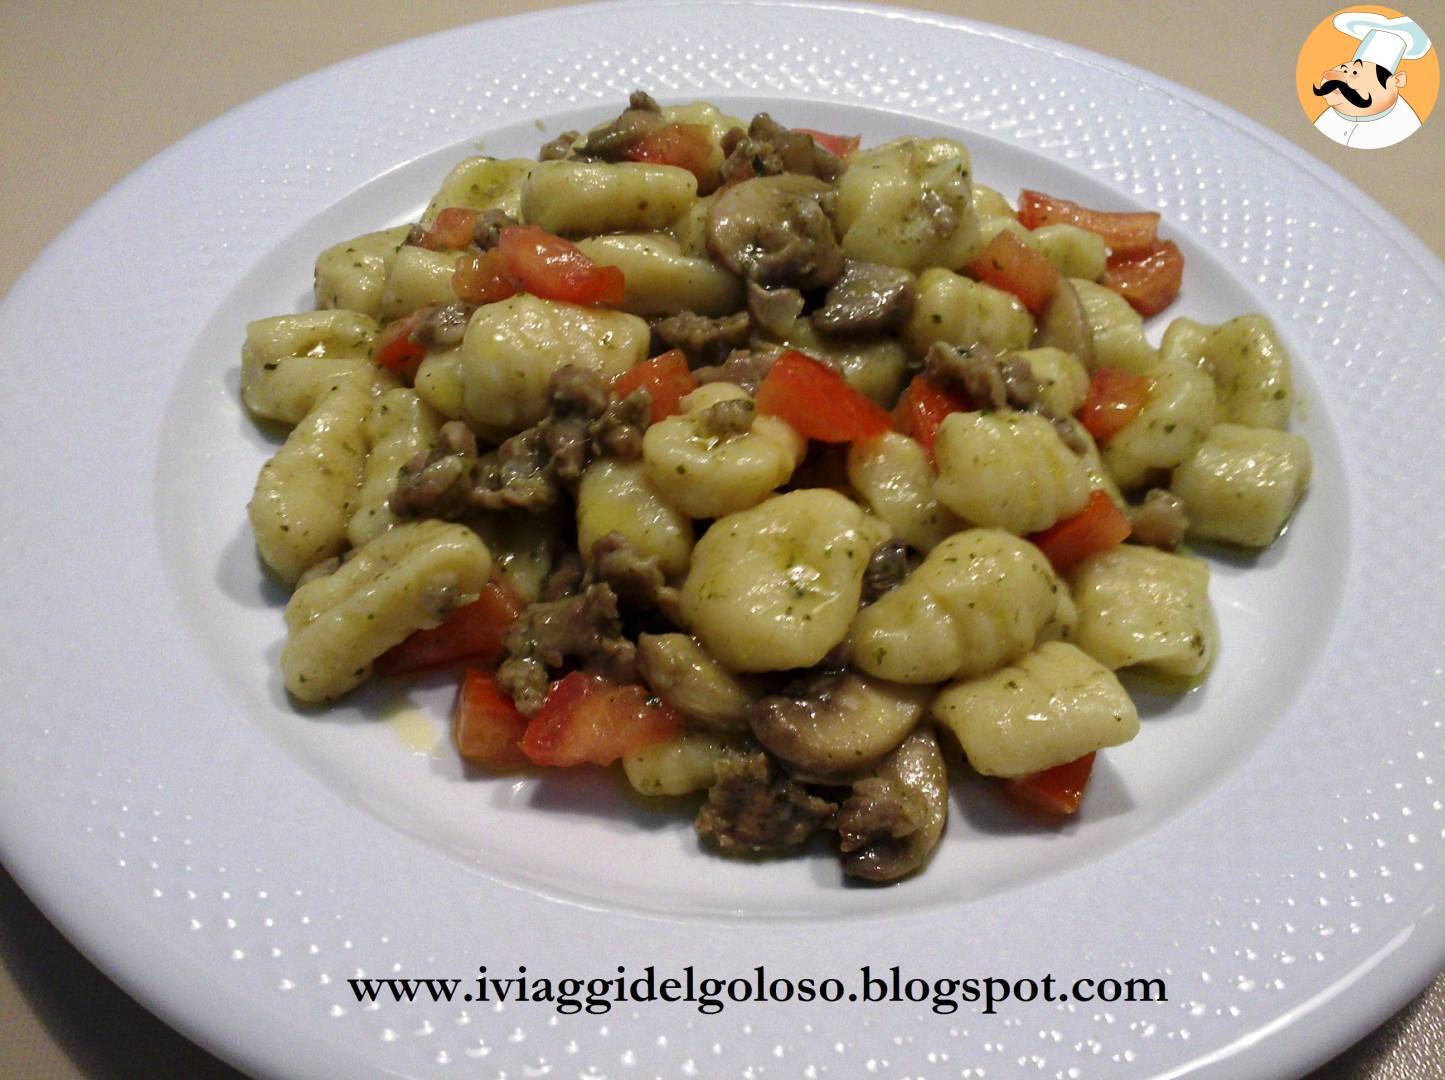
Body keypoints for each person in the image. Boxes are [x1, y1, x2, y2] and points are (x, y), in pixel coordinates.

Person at [1312, 11, 1432, 149]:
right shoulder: (1331, 116)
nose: (1339, 78)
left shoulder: (1401, 125)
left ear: (1396, 81)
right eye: (1344, 69)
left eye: (1355, 73)